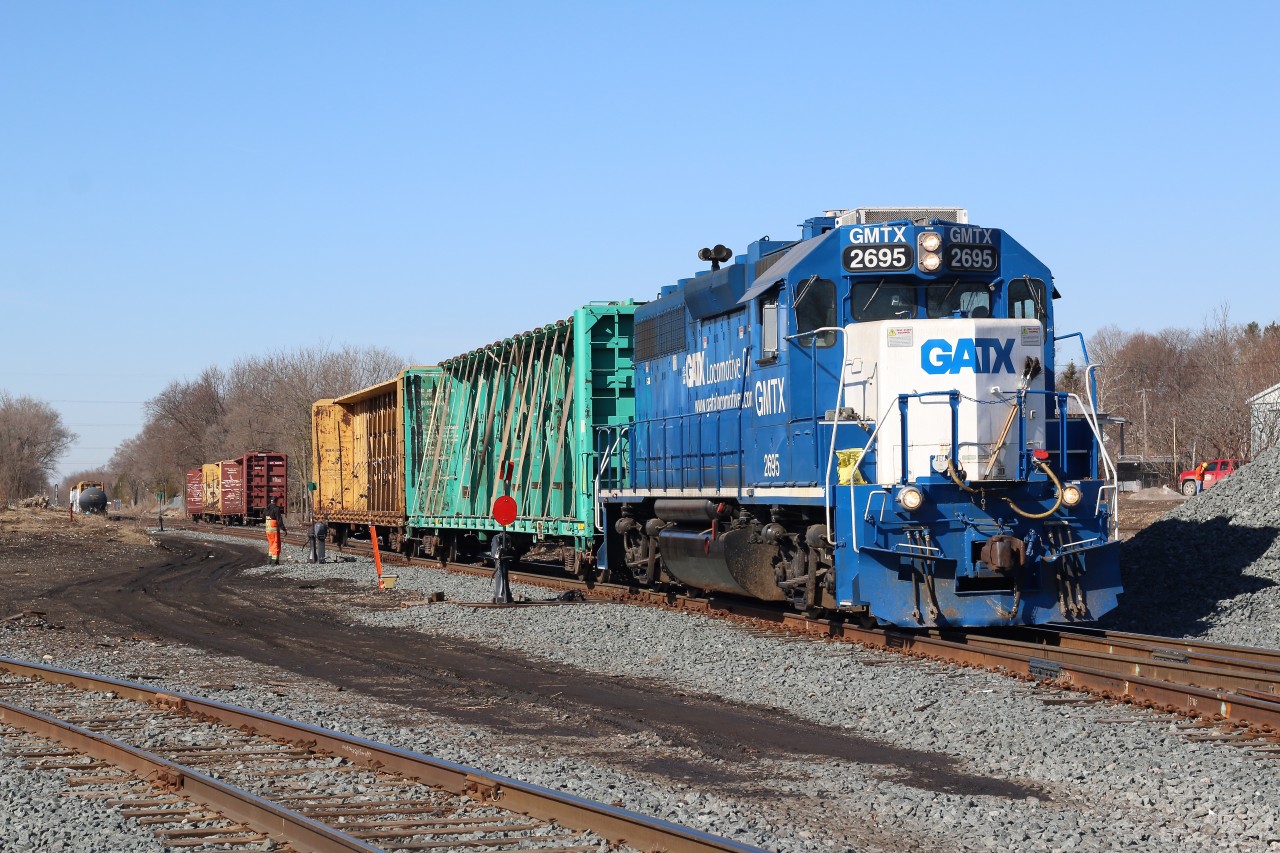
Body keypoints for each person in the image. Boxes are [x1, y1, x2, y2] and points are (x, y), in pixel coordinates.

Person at [265, 497, 286, 565]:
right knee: (276, 544)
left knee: (271, 544)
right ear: (276, 501)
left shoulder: (267, 508)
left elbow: (263, 517)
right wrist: (284, 529)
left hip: (267, 530)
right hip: (274, 530)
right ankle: (274, 561)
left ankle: (269, 560)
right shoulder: (276, 509)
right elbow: (279, 520)